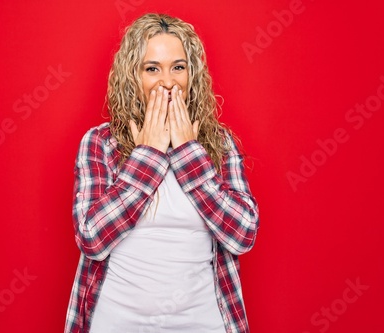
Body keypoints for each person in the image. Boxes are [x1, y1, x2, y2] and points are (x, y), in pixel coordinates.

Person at [64, 13, 259, 333]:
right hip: (116, 323)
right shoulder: (100, 142)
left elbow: (243, 235)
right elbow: (92, 239)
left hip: (203, 323)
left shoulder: (219, 143)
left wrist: (188, 153)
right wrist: (148, 156)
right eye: (152, 68)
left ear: (191, 75)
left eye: (178, 67)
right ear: (133, 77)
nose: (168, 81)